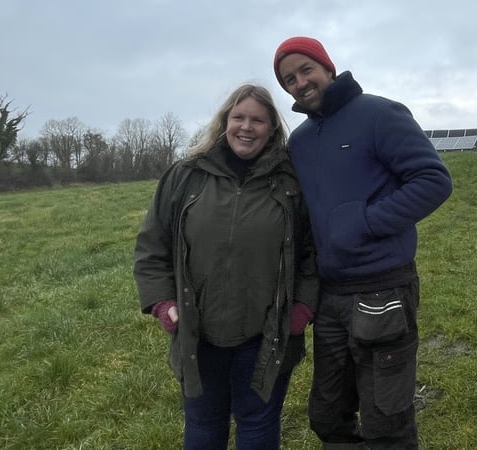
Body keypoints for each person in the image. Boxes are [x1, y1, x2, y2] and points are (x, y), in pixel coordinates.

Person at [273, 37, 453, 449]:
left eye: (306, 70)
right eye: (288, 79)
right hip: (331, 296)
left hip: (384, 288)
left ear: (328, 67)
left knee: (385, 422)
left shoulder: (379, 114)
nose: (299, 83)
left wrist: (365, 222)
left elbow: (433, 181)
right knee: (327, 416)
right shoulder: (299, 142)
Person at [133, 84, 319, 449]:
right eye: (239, 117)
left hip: (268, 333)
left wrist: (301, 309)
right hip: (197, 332)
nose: (246, 127)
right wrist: (163, 304)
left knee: (259, 426)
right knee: (203, 424)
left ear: (272, 128)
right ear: (224, 122)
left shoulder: (291, 183)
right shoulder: (185, 176)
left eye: (257, 120)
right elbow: (151, 247)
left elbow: (313, 253)